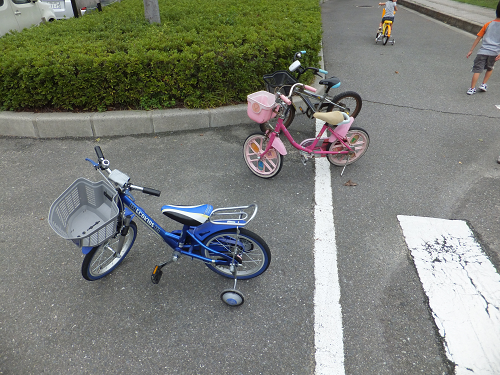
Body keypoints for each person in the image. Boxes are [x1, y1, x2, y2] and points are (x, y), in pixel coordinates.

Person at [466, 1, 500, 95]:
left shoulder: (488, 24)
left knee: (477, 70)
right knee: (490, 68)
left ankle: (472, 88)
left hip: (483, 51)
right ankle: (483, 84)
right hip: (495, 52)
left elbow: (478, 37)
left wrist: (471, 50)